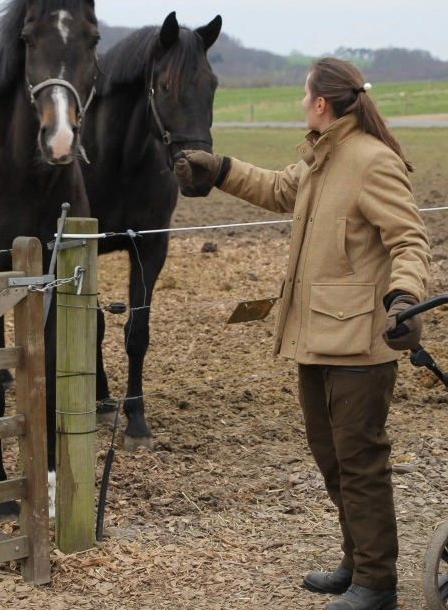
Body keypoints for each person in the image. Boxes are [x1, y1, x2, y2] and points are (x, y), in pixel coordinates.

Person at [172, 57, 430, 610]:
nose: (300, 102)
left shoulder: (371, 162)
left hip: (361, 341)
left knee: (360, 461)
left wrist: (404, 298)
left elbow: (410, 240)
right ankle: (356, 561)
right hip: (314, 335)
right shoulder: (321, 158)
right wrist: (218, 169)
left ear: (321, 103)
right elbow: (276, 188)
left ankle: (377, 584)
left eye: (303, 94)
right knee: (331, 456)